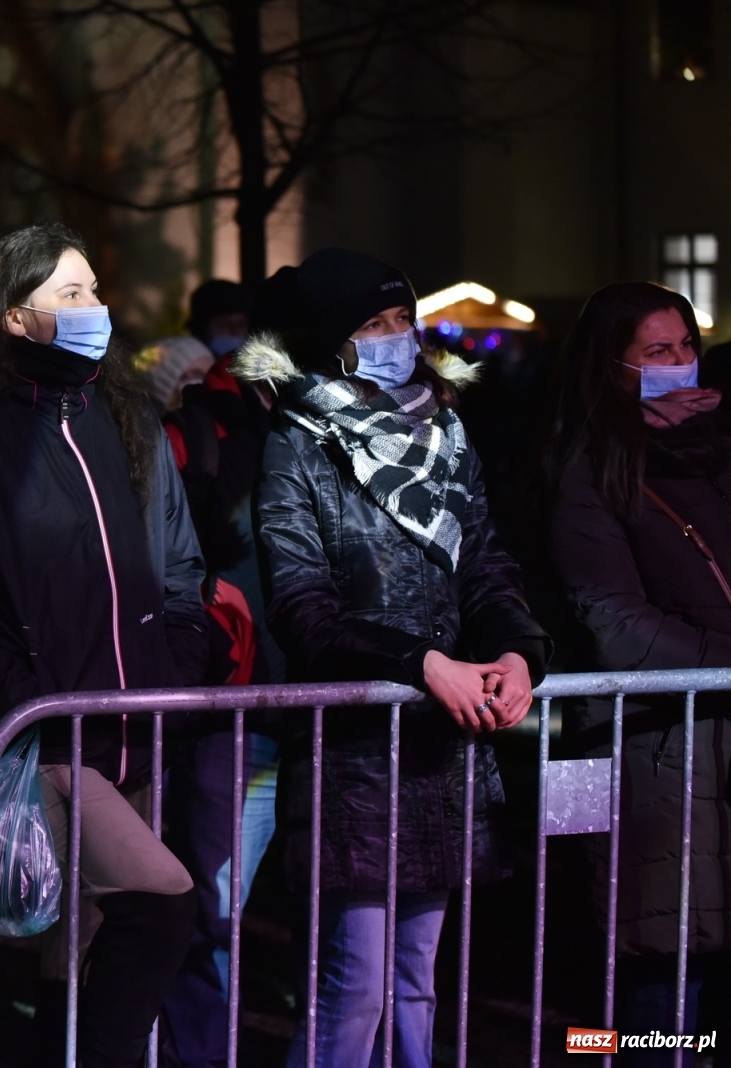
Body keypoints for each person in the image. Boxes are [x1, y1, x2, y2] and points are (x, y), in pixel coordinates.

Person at [0, 223, 226, 1068]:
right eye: (69, 295)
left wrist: (175, 664)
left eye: (95, 292)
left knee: (78, 954)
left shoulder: (129, 420)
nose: (94, 309)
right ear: (12, 318)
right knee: (163, 905)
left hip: (136, 733)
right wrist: (26, 696)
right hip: (46, 742)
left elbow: (181, 565)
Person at [236, 247, 550, 1067]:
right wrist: (421, 664)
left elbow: (484, 561)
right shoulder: (299, 442)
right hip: (355, 752)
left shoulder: (444, 430)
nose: (395, 338)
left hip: (440, 749)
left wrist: (518, 651)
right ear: (332, 341)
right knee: (357, 983)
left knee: (418, 979)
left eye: (401, 320)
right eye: (372, 326)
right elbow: (301, 605)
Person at [544, 281, 731, 1066]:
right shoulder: (581, 464)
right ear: (611, 364)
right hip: (615, 752)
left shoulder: (716, 452)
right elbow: (609, 619)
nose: (680, 365)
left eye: (687, 347)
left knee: (701, 984)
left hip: (708, 747)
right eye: (658, 352)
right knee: (624, 973)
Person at [158, 278, 284, 1066]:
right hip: (233, 709)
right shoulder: (193, 433)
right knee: (213, 909)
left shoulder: (306, 433)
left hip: (305, 702)